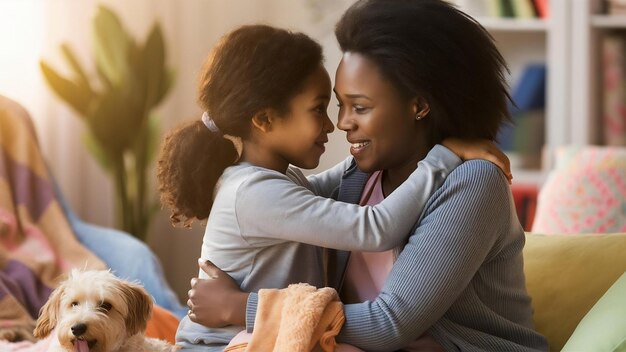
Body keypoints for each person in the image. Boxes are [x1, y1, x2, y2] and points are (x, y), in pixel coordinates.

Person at [184, 1, 550, 351]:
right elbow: (292, 206)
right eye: (338, 105)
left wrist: (239, 307)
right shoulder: (359, 178)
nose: (341, 124)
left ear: (419, 105)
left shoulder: (473, 182)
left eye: (359, 107)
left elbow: (388, 324)